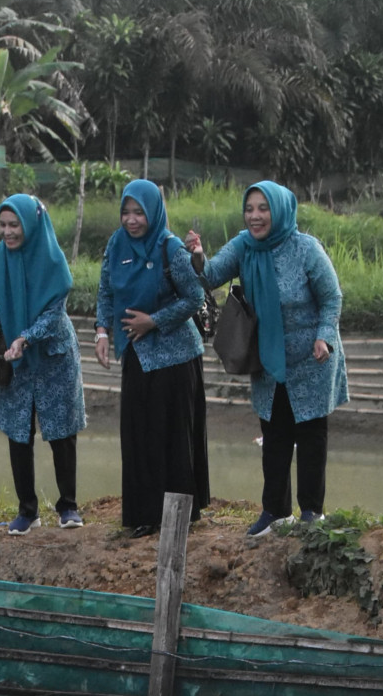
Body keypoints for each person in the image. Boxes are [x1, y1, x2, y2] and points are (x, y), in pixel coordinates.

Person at [186, 181, 347, 536]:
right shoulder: (245, 246)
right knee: (273, 433)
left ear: (280, 210)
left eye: (263, 208)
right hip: (268, 357)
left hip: (311, 357)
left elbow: (332, 297)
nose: (255, 216)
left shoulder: (306, 249)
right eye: (250, 209)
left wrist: (323, 337)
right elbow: (210, 276)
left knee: (310, 434)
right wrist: (198, 256)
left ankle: (311, 513)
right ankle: (275, 511)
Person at [95, 179, 209, 537]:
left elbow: (194, 298)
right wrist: (102, 331)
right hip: (137, 354)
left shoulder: (170, 248)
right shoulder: (116, 245)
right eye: (126, 212)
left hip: (175, 357)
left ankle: (180, 515)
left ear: (153, 212)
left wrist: (153, 321)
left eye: (139, 212)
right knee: (138, 433)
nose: (131, 220)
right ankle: (144, 514)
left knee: (172, 435)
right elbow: (105, 291)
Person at [0, 194, 86, 533]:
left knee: (61, 430)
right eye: (3, 225)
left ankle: (68, 506)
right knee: (18, 429)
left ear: (31, 225)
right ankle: (27, 510)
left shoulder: (52, 260)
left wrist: (26, 338)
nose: (8, 232)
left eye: (15, 225)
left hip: (53, 354)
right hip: (14, 356)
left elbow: (55, 312)